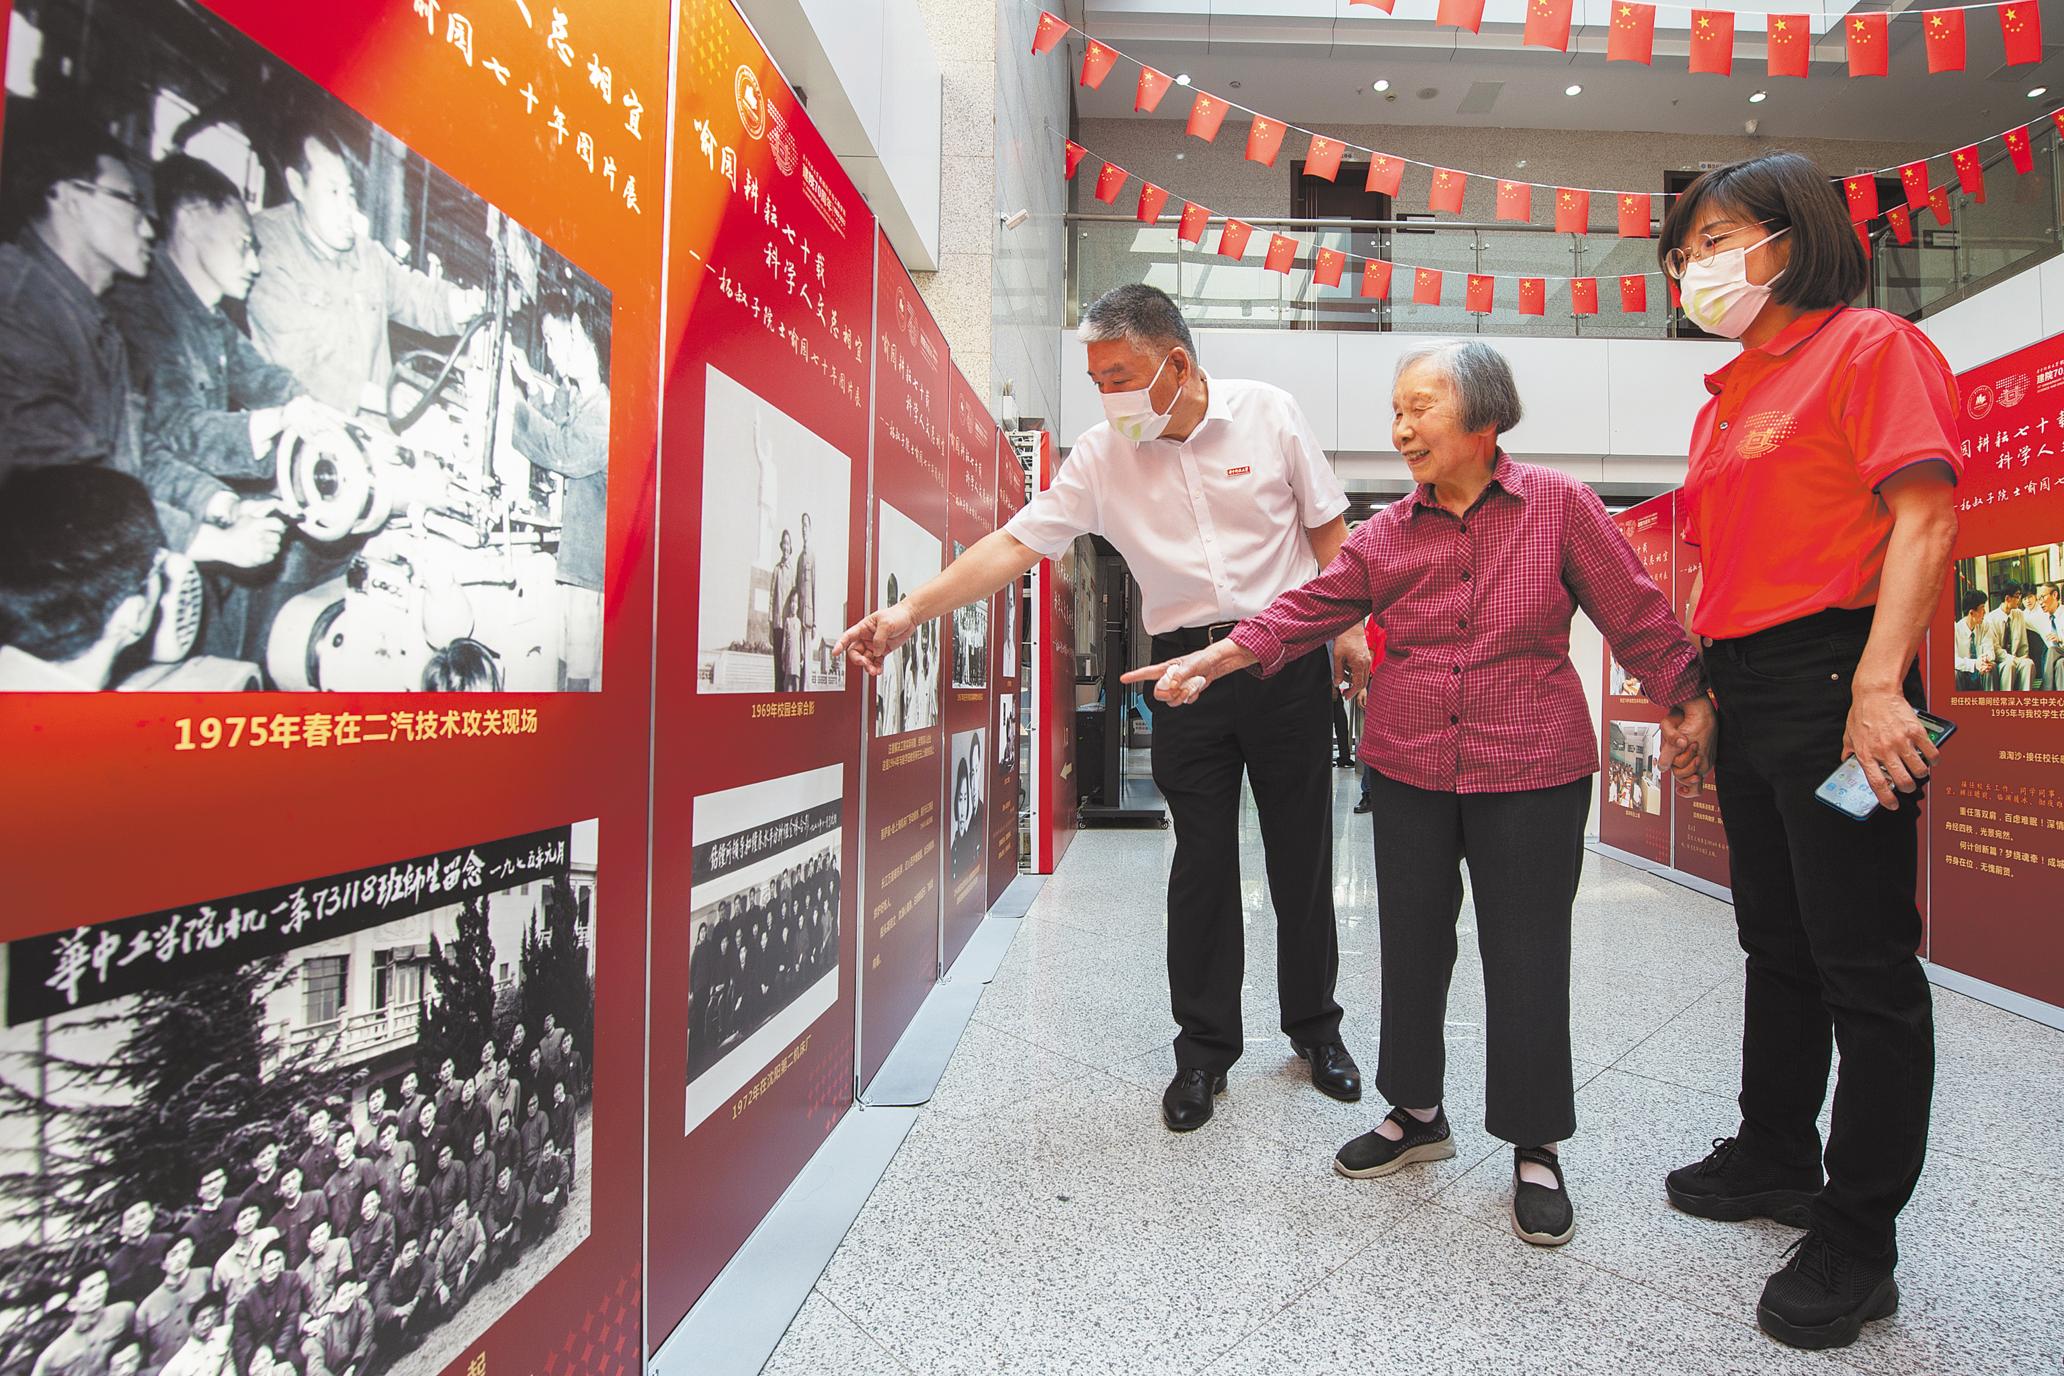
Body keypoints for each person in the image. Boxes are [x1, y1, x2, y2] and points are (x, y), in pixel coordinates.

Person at [1126, 340, 1710, 1250]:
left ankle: (1534, 1143)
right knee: (1410, 945)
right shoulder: (1388, 533)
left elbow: (1633, 608)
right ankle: (1416, 1113)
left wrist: (1684, 697)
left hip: (1534, 763)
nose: (1400, 429)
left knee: (1527, 952)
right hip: (1410, 765)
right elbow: (1306, 609)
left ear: (1483, 418)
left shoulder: (1559, 505)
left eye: (1420, 408)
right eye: (1395, 411)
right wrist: (1212, 657)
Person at [837, 283, 1371, 1131]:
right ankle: (1203, 1055)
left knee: (1299, 855)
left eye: (1118, 376)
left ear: (1177, 365)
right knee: (1200, 864)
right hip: (1178, 677)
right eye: (1096, 380)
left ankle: (1315, 1032)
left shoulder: (1271, 414)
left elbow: (1328, 530)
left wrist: (1348, 630)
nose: (1107, 396)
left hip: (1283, 656)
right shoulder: (1102, 453)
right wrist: (908, 613)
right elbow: (1016, 543)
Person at [1654, 153, 1961, 1351]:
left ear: (1793, 236)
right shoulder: (1726, 396)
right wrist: (1711, 696)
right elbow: (1731, 570)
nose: (1696, 267)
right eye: (1685, 251)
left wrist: (1881, 685)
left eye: (1717, 236)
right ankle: (1777, 1146)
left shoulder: (1873, 347)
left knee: (1863, 963)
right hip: (1753, 684)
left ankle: (1860, 1233)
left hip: (1847, 681)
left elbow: (1923, 517)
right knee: (1774, 940)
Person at [0, 107, 279, 574]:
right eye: (129, 200)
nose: (149, 226)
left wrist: (219, 504)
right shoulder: (19, 310)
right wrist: (207, 541)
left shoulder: (94, 320)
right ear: (69, 198)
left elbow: (134, 455)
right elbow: (69, 492)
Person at [507, 291, 608, 690]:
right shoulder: (583, 403)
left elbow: (562, 450)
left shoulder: (603, 413)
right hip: (575, 564)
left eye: (579, 341)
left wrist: (512, 406)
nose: (568, 349)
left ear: (598, 350)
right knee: (564, 662)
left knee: (579, 676)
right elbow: (557, 427)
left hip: (588, 568)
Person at [30, 1269, 135, 1376]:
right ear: (72, 1304)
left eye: (102, 1283)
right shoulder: (53, 1354)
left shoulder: (124, 1312)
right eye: (90, 1289)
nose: (98, 1292)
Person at [133, 1235, 210, 1374]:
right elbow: (142, 1352)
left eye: (184, 1250)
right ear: (163, 1264)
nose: (179, 1259)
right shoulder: (147, 1307)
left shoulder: (205, 1277)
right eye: (173, 1255)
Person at [231, 1245, 310, 1376]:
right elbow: (242, 1341)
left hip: (286, 1345)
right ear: (260, 1269)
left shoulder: (291, 1280)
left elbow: (291, 1319)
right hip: (259, 1352)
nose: (274, 1266)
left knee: (295, 1363)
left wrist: (279, 1353)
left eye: (277, 1260)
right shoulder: (246, 1301)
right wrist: (254, 1364)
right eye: (269, 1263)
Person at [103, 1199, 171, 1309]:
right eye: (131, 1218)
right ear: (121, 1229)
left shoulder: (167, 1242)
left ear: (152, 1215)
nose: (138, 1220)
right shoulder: (113, 1265)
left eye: (143, 1212)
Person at [154, 1297, 230, 1376]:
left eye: (211, 1315)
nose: (208, 1322)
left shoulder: (225, 1335)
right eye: (201, 1319)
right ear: (191, 1325)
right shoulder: (180, 1360)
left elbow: (229, 1366)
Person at [1983, 582, 2035, 690]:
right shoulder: (1991, 619)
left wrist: (2023, 657)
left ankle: (2023, 701)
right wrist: (2014, 659)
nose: (2019, 600)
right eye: (2017, 596)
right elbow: (1996, 649)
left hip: (2016, 658)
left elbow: (2023, 644)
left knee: (2029, 663)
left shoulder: (2019, 614)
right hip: (2001, 661)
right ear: (2007, 598)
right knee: (2009, 665)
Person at [1952, 591, 1994, 690]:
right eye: (1982, 608)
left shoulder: (1985, 626)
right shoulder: (1955, 630)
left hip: (1981, 671)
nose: (1985, 612)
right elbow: (1953, 660)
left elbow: (1990, 651)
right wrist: (1975, 664)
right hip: (1963, 672)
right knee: (1954, 673)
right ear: (1971, 612)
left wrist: (1984, 661)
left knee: (1992, 667)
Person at [795, 511, 819, 681]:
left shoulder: (811, 556)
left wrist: (815, 621)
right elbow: (797, 587)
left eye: (806, 525)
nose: (803, 529)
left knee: (808, 661)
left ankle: (807, 690)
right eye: (801, 526)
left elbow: (815, 589)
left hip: (809, 616)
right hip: (798, 615)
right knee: (799, 657)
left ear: (810, 529)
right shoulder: (799, 559)